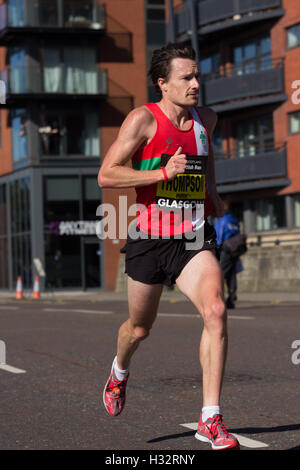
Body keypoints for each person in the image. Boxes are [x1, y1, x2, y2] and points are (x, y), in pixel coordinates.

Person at [98, 43, 240, 451]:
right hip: (148, 236)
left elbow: (206, 157)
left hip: (193, 234)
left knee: (215, 311)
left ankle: (210, 417)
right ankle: (120, 370)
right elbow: (107, 175)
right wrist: (162, 171)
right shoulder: (143, 119)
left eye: (198, 76)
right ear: (163, 83)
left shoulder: (206, 120)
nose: (196, 84)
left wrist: (212, 192)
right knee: (139, 328)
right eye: (186, 78)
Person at [214, 202, 241, 309]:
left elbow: (219, 236)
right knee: (232, 274)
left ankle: (217, 297)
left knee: (220, 274)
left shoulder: (222, 220)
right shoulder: (233, 220)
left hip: (225, 250)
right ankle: (232, 295)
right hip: (235, 249)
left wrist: (216, 249)